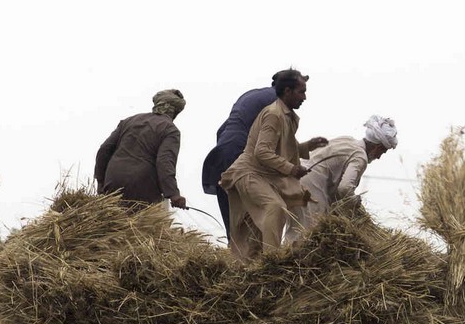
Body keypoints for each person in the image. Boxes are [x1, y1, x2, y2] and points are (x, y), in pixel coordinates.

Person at [218, 69, 328, 262]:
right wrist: (292, 169)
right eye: (301, 92)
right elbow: (262, 152)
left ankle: (250, 269)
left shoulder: (288, 117)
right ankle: (273, 262)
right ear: (288, 91)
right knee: (275, 206)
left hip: (264, 177)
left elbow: (284, 147)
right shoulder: (274, 115)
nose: (305, 97)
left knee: (255, 237)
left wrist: (308, 145)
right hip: (250, 174)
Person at [284, 115, 399, 244]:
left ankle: (281, 261)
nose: (378, 157)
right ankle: (290, 263)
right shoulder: (360, 157)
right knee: (308, 235)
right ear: (377, 147)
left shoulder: (348, 140)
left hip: (293, 176)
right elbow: (344, 188)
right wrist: (354, 202)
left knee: (295, 230)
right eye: (382, 153)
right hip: (310, 186)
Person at [202, 83, 278, 234]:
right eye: (300, 91)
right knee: (258, 214)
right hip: (239, 152)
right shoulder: (276, 100)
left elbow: (221, 130)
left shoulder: (250, 96)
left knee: (233, 220)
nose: (303, 98)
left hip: (222, 153)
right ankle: (261, 255)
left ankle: (235, 250)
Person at [94, 89, 188, 209]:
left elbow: (104, 150)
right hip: (142, 186)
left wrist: (101, 182)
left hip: (113, 180)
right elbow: (164, 163)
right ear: (174, 111)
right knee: (145, 224)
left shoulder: (129, 121)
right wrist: (174, 194)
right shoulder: (170, 130)